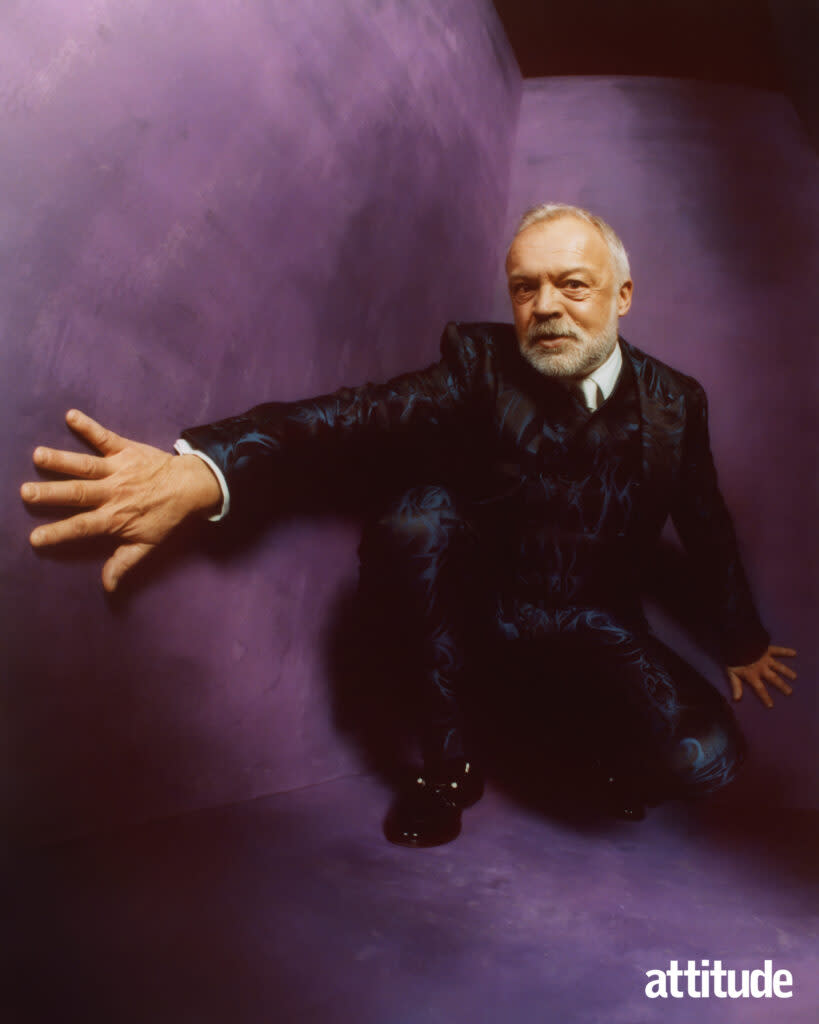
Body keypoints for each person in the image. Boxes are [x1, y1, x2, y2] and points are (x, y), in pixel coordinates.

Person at [21, 203, 796, 847]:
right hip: (482, 607)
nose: (545, 307)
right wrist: (204, 468)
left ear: (622, 296)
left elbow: (703, 520)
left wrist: (741, 639)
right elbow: (353, 415)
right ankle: (449, 766)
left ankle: (590, 748)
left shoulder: (676, 403)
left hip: (595, 621)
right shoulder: (478, 364)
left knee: (708, 760)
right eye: (524, 289)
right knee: (416, 519)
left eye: (572, 284)